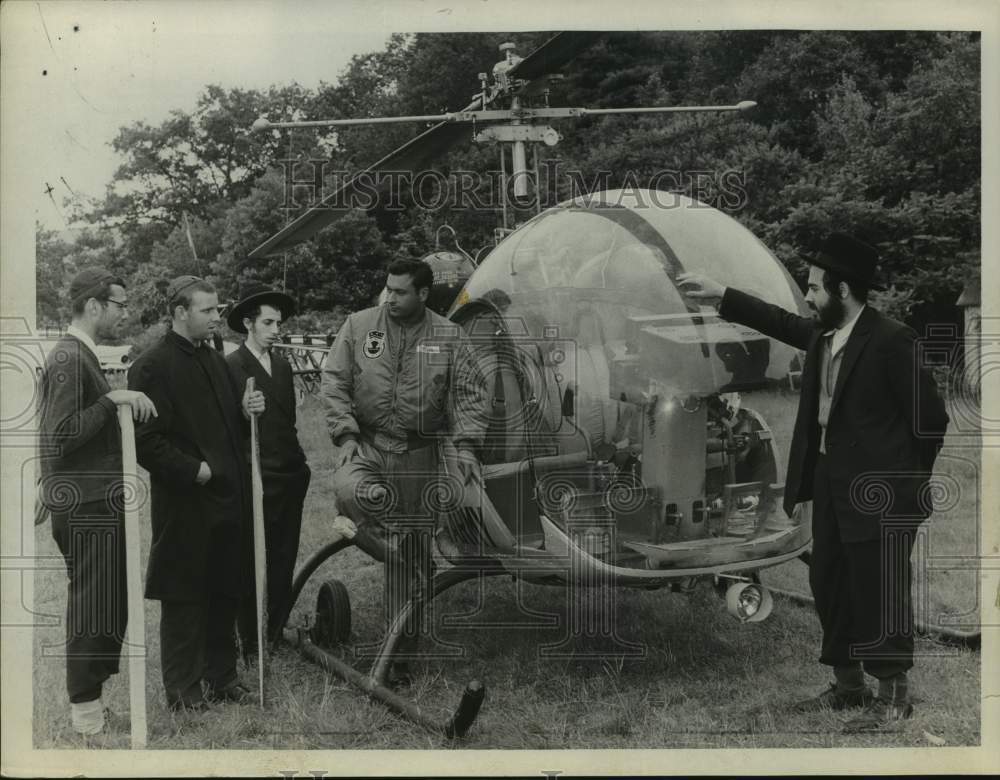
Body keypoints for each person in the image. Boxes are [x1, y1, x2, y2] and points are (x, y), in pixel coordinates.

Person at [678, 233, 949, 732]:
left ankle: (893, 697)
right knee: (830, 583)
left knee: (880, 588)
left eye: (813, 287)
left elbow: (930, 420)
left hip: (880, 492)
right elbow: (780, 322)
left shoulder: (892, 339)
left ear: (841, 289)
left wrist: (906, 487)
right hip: (828, 483)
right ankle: (848, 688)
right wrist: (723, 295)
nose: (806, 295)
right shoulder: (824, 336)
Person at [321, 258, 490, 688]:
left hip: (419, 457)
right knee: (353, 493)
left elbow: (471, 394)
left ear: (422, 294)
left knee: (411, 559)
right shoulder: (359, 326)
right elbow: (335, 380)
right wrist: (345, 435)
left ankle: (399, 660)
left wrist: (467, 445)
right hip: (368, 446)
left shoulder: (449, 337)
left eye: (399, 292)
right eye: (387, 288)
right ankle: (359, 528)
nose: (390, 297)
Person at [128, 275, 264, 711]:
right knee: (185, 596)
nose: (216, 318)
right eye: (207, 310)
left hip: (228, 497)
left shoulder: (215, 358)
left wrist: (245, 412)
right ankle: (183, 694)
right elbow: (146, 442)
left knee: (225, 589)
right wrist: (196, 471)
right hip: (186, 502)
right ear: (180, 312)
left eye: (217, 310)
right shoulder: (151, 365)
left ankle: (221, 677)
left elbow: (226, 422)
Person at [38, 267, 157, 736]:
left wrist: (47, 486)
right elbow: (61, 434)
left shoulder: (79, 353)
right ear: (94, 306)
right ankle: (86, 715)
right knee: (93, 607)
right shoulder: (70, 356)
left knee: (106, 603)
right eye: (119, 304)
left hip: (90, 499)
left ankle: (92, 708)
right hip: (87, 506)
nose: (124, 312)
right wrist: (115, 400)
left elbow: (50, 432)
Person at [225, 281, 310, 650]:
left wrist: (300, 466)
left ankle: (273, 630)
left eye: (279, 324)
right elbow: (226, 428)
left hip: (290, 475)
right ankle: (250, 638)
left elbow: (287, 422)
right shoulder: (230, 367)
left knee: (284, 556)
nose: (277, 331)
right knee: (250, 560)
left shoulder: (282, 365)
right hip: (256, 477)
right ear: (249, 324)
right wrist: (244, 414)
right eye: (269, 324)